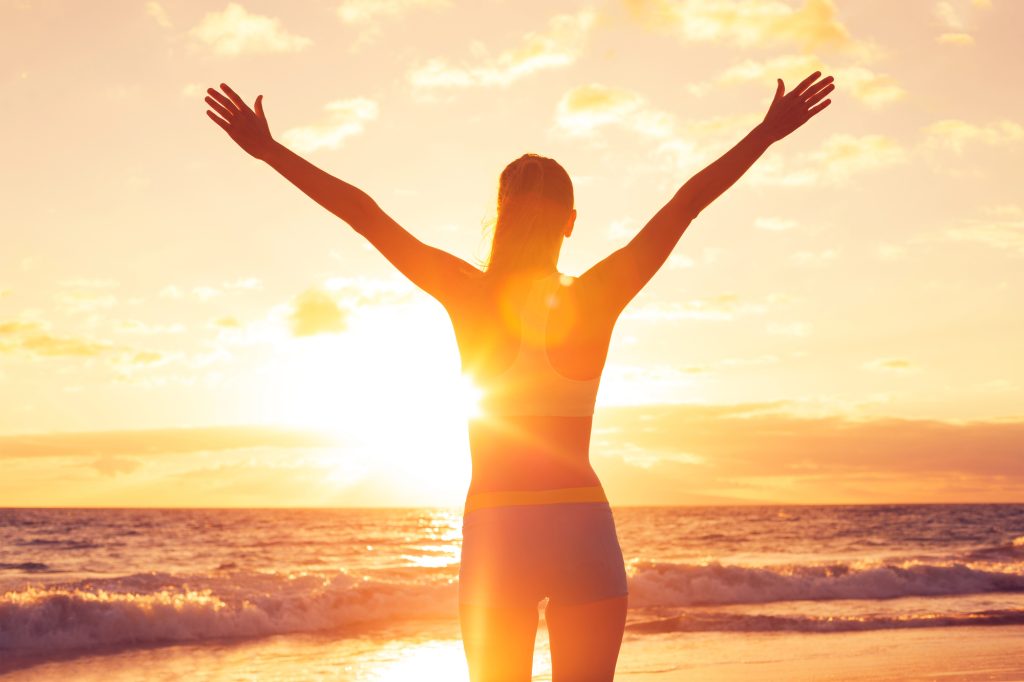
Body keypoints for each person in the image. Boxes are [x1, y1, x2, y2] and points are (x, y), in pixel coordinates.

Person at [205, 71, 833, 681]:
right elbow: (686, 203)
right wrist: (765, 132)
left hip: (498, 533)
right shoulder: (598, 295)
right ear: (570, 221)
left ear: (500, 216)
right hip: (582, 527)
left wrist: (269, 152)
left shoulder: (465, 294)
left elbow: (365, 215)